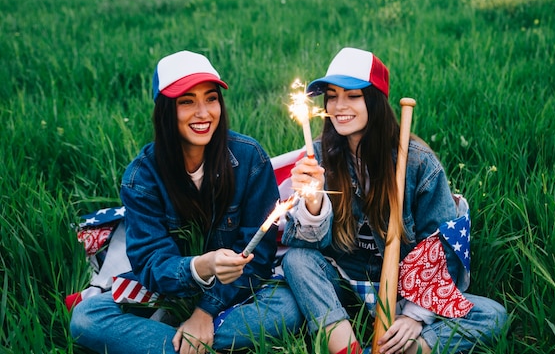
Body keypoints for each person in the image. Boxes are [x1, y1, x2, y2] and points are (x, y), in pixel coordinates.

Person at [70, 50, 303, 354]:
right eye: (187, 102)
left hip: (235, 291)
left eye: (211, 98)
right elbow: (150, 263)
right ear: (166, 111)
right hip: (168, 289)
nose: (203, 112)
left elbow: (258, 257)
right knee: (86, 318)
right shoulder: (142, 176)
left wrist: (205, 311)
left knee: (287, 309)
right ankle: (193, 342)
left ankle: (175, 340)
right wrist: (200, 266)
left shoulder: (249, 159)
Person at [281, 47, 507, 354]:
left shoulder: (417, 162)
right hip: (344, 282)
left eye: (353, 95)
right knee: (297, 261)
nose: (338, 106)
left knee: (492, 316)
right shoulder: (319, 156)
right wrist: (312, 203)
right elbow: (307, 249)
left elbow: (441, 245)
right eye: (332, 96)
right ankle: (346, 347)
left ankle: (408, 348)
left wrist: (416, 316)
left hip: (404, 287)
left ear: (375, 100)